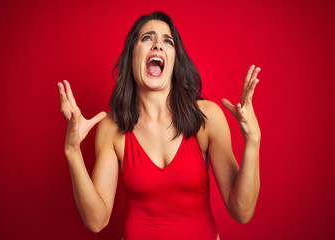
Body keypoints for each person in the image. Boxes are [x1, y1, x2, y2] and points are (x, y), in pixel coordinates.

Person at [58, 11, 261, 240]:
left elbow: (242, 212)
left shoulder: (207, 118)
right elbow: (96, 221)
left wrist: (253, 140)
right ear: (131, 55)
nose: (158, 45)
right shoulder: (111, 127)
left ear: (175, 59)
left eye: (168, 41)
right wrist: (72, 151)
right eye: (147, 38)